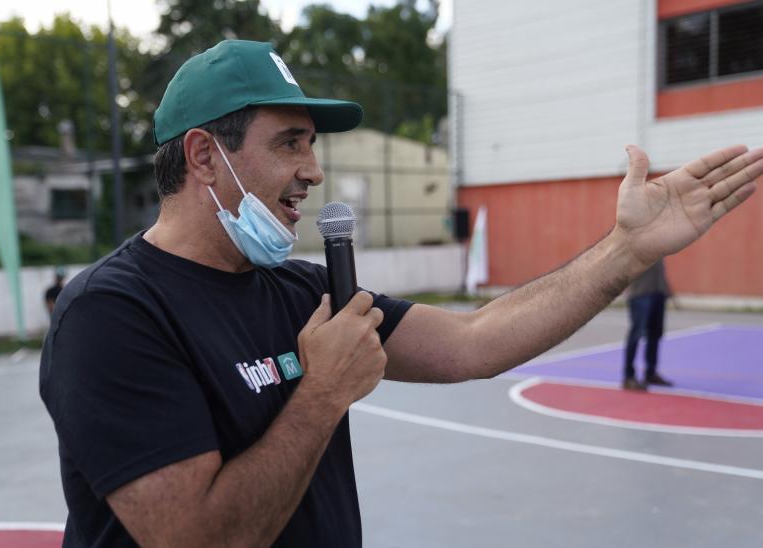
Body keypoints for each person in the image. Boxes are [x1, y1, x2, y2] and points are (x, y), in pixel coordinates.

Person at [39, 39, 762, 548]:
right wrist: (321, 395)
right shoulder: (112, 315)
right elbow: (197, 540)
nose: (314, 170)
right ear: (205, 155)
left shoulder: (300, 290)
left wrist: (626, 250)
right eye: (291, 142)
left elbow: (476, 343)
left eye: (311, 145)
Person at [622, 259, 673, 390]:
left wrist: (666, 287)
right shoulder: (636, 239)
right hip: (641, 294)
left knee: (655, 334)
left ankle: (650, 372)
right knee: (636, 334)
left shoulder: (659, 242)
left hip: (658, 292)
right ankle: (628, 377)